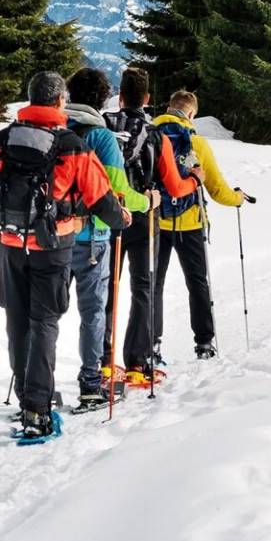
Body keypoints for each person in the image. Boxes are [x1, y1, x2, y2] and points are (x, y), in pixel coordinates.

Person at [0, 71, 128, 442]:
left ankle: (29, 397)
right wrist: (122, 218)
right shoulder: (72, 145)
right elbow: (100, 198)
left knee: (17, 320)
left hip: (10, 244)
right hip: (54, 247)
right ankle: (37, 411)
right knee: (44, 323)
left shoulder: (2, 139)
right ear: (59, 101)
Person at [63, 67, 148, 411]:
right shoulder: (101, 137)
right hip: (92, 236)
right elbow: (119, 192)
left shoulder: (53, 129)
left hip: (52, 234)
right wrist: (147, 201)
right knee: (93, 311)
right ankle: (90, 385)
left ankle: (35, 386)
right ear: (102, 98)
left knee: (47, 313)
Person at [151, 90, 248, 363]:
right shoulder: (197, 144)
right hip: (190, 223)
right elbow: (216, 189)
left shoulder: (151, 136)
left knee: (154, 284)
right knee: (197, 283)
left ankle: (153, 345)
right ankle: (204, 342)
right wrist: (237, 198)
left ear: (168, 108)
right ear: (191, 114)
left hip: (155, 221)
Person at [107, 67, 163, 383]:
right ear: (147, 99)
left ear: (120, 96)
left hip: (110, 216)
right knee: (142, 287)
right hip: (143, 218)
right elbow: (167, 177)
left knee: (106, 288)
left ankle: (102, 361)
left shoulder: (106, 127)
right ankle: (137, 363)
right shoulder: (155, 133)